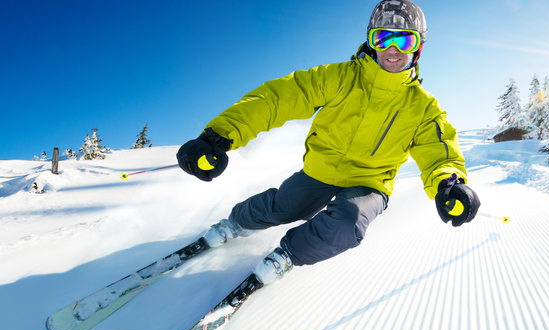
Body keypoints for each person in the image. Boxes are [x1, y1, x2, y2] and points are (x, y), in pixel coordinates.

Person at [176, 0, 480, 286]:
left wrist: (448, 184)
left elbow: (439, 153)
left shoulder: (424, 108)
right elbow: (278, 99)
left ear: (419, 49)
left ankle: (288, 255)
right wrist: (218, 136)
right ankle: (235, 224)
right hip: (320, 170)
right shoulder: (340, 78)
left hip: (370, 183)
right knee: (284, 207)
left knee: (348, 223)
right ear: (371, 41)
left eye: (405, 40)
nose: (392, 49)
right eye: (383, 38)